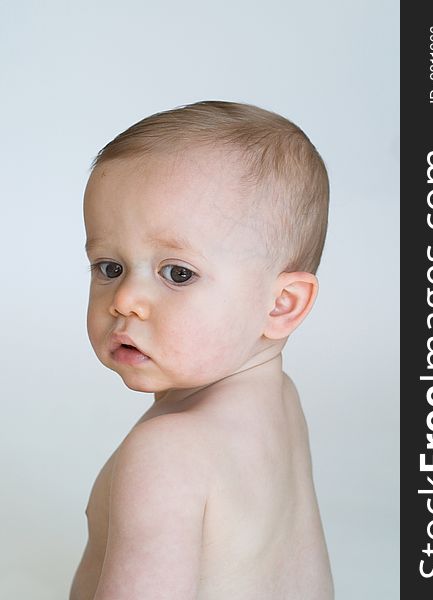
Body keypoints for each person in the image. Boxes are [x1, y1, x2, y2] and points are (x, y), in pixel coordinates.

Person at [69, 100, 334, 600]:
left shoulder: (166, 455)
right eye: (109, 267)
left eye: (178, 273)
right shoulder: (280, 401)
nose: (125, 300)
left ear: (280, 304)